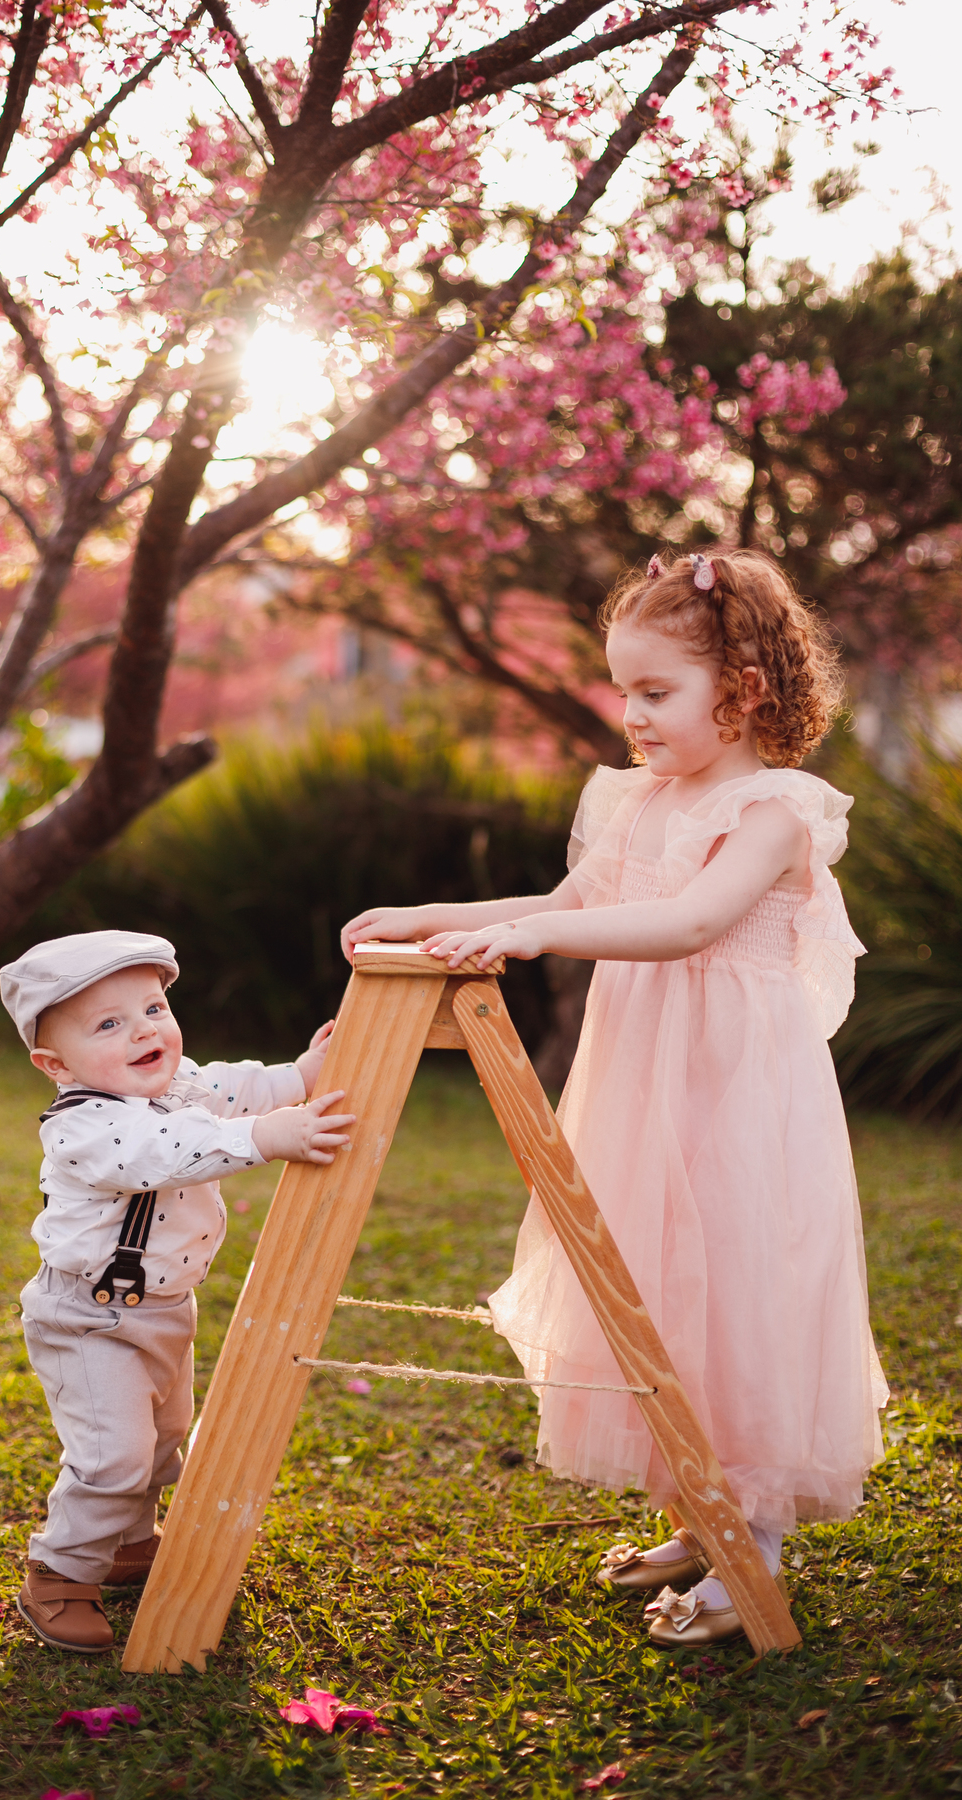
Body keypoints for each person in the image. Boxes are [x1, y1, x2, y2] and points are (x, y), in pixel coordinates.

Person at [341, 548, 888, 1648]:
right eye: (621, 689)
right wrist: (427, 910)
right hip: (644, 1086)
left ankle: (755, 1543)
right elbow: (568, 897)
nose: (629, 714)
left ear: (743, 690)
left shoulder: (774, 811)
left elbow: (690, 922)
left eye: (655, 692)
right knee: (650, 1285)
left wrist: (535, 936)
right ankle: (697, 1515)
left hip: (736, 1093)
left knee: (737, 1292)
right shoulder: (635, 800)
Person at [0, 929, 353, 1652]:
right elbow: (161, 1152)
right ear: (54, 1064)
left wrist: (303, 1073)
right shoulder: (82, 1129)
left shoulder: (180, 1082)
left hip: (163, 1310)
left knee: (162, 1443)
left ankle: (130, 1544)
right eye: (110, 1024)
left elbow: (235, 1085)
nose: (144, 1031)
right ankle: (59, 1574)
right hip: (85, 1317)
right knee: (112, 1453)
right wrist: (265, 1137)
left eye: (154, 1008)